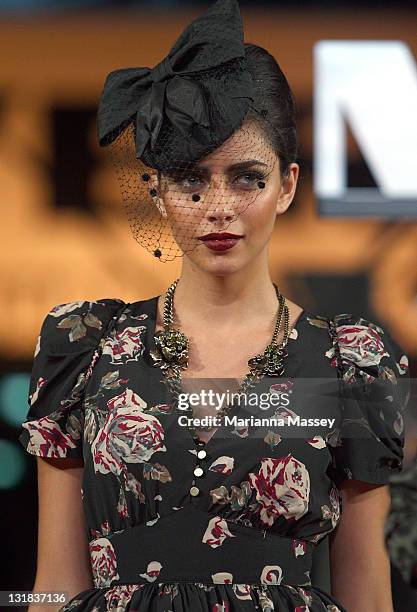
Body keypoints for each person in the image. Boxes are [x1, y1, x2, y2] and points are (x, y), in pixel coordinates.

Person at [19, 1, 410, 610]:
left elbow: (367, 590)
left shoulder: (347, 361)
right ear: (156, 189)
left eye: (247, 177)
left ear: (288, 185)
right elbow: (54, 587)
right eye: (190, 180)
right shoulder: (84, 347)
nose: (218, 206)